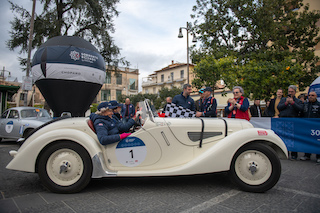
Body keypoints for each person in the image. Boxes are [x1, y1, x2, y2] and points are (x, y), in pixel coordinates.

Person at [277, 85, 304, 160]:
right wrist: (286, 103)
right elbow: (279, 107)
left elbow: (301, 109)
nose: (290, 93)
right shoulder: (283, 99)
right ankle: (285, 153)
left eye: (292, 92)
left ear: (295, 92)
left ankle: (294, 154)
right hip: (284, 121)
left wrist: (292, 103)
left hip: (293, 121)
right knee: (284, 138)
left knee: (293, 139)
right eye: (289, 91)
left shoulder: (298, 101)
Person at [300, 91, 320, 163]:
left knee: (316, 141)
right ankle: (307, 155)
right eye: (309, 95)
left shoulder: (319, 105)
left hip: (316, 127)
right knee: (307, 140)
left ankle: (318, 156)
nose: (310, 96)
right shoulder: (305, 104)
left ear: (316, 96)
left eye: (312, 95)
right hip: (306, 126)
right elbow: (301, 114)